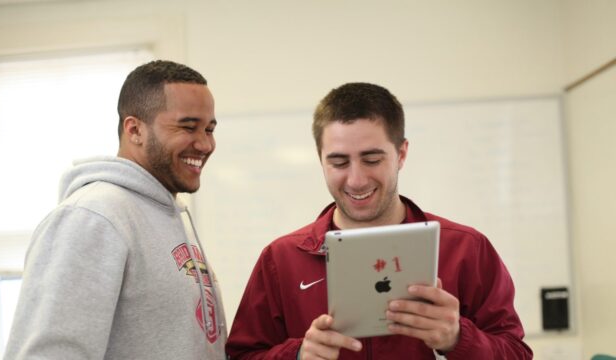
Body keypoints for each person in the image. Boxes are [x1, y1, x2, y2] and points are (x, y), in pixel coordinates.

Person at [225, 82, 533, 359]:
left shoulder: (465, 249)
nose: (357, 180)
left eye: (372, 160)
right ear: (320, 159)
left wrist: (458, 338)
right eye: (339, 162)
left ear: (401, 154)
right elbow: (242, 356)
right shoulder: (281, 259)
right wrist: (298, 355)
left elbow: (517, 354)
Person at [4, 60, 226, 359]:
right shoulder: (92, 216)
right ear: (134, 129)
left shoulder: (170, 214)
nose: (205, 144)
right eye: (188, 127)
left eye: (209, 129)